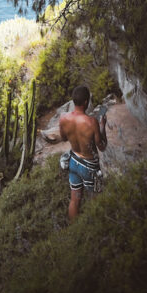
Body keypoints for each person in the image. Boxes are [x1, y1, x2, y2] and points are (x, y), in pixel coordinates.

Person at [59, 84, 107, 221]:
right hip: (90, 167)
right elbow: (102, 146)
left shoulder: (63, 118)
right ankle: (94, 231)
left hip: (73, 162)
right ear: (86, 102)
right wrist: (102, 127)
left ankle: (75, 233)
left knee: (75, 200)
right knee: (96, 201)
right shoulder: (92, 122)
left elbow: (63, 138)